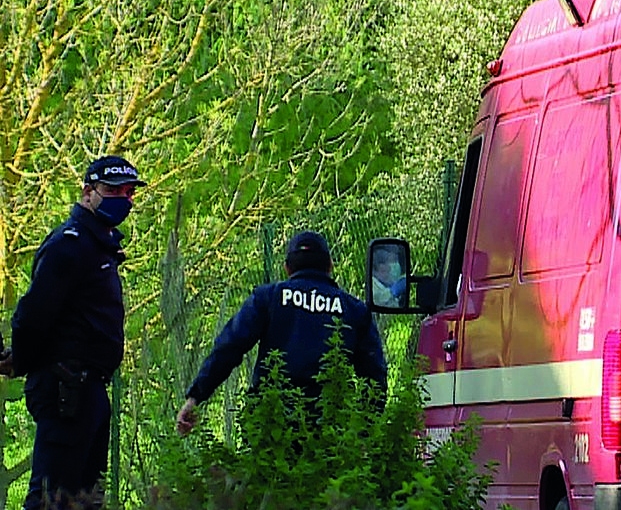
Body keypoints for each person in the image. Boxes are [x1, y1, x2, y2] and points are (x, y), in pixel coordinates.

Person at [0, 155, 146, 509]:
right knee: (54, 498)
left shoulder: (100, 247)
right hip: (67, 387)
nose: (122, 200)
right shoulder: (71, 243)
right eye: (112, 190)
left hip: (90, 387)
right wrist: (21, 359)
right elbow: (34, 313)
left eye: (128, 193)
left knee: (84, 499)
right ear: (87, 193)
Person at [176, 230, 387, 435]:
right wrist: (363, 432)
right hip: (331, 432)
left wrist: (195, 397)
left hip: (270, 428)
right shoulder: (354, 310)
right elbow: (375, 376)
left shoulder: (268, 298)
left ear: (287, 268)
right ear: (330, 266)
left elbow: (229, 348)